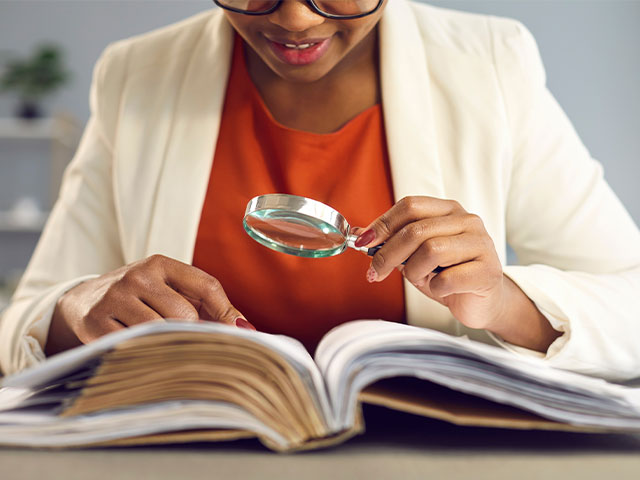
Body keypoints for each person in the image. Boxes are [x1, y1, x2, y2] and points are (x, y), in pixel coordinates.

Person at [1, 0, 639, 380]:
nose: (296, 20)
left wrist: (502, 302)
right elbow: (21, 323)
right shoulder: (135, 75)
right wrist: (77, 308)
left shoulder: (491, 63)